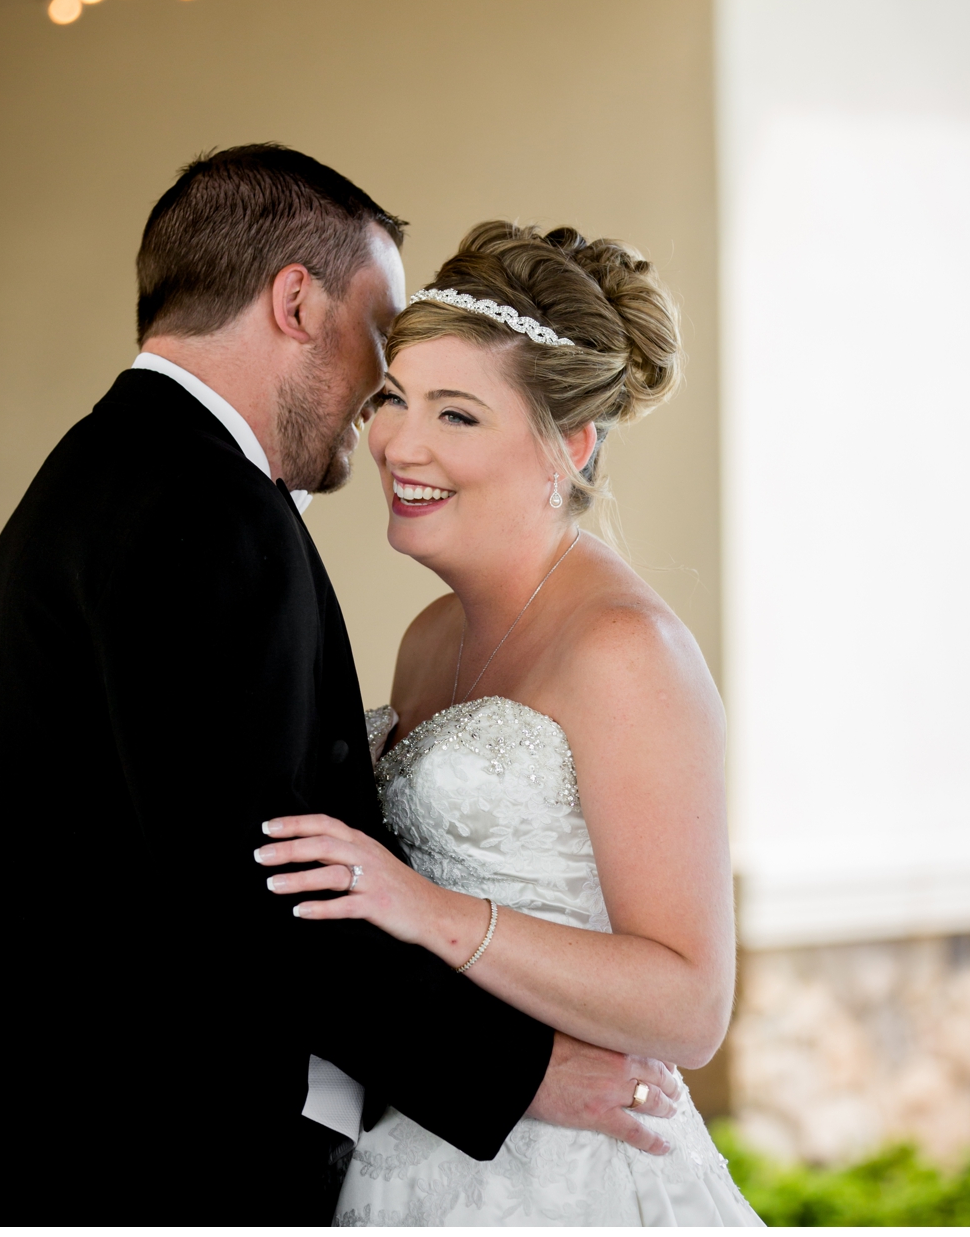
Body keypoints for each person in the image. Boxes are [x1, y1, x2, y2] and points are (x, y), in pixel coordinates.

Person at [0, 147, 679, 1226]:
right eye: (380, 348)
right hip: (125, 1169)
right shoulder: (208, 514)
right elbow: (254, 883)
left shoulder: (100, 475)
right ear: (297, 301)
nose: (380, 412)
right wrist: (522, 1072)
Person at [253, 220, 759, 1225]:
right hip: (423, 1137)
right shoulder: (430, 634)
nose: (401, 440)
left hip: (580, 1173)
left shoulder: (626, 649)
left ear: (568, 447)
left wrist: (423, 909)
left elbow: (690, 1004)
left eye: (459, 414)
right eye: (394, 397)